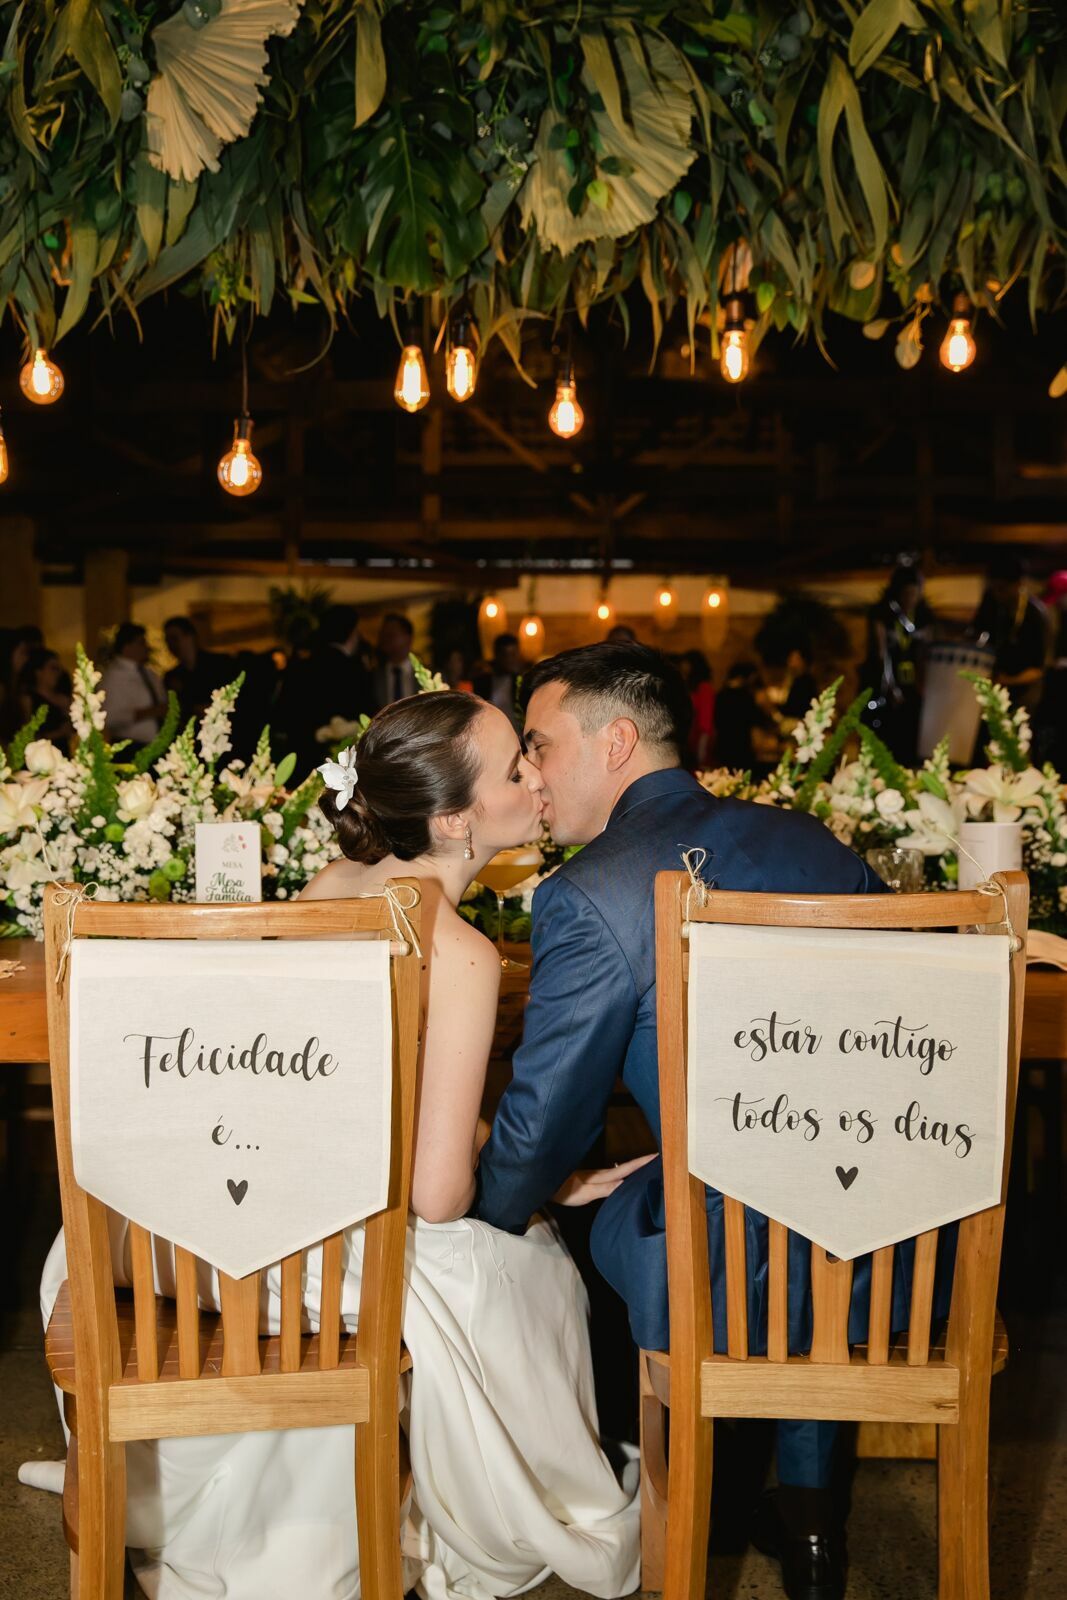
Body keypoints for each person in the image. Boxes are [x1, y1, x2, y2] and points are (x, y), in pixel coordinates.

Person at [39, 691, 641, 1600]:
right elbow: (436, 1197)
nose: (536, 780)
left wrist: (542, 1166)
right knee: (521, 1268)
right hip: (304, 1260)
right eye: (516, 769)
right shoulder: (460, 953)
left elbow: (321, 1096)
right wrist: (534, 1185)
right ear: (454, 819)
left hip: (178, 1233)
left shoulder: (326, 888)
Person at [471, 642, 935, 1600]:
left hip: (721, 1277)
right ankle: (810, 1529)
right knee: (812, 1202)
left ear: (618, 743)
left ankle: (688, 1494)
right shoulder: (814, 845)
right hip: (897, 1267)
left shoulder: (591, 892)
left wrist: (487, 1212)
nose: (532, 777)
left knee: (596, 1213)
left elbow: (543, 1123)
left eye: (541, 748)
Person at [275, 605, 376, 781]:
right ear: (351, 634)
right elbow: (368, 716)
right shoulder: (354, 670)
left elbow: (283, 715)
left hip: (301, 760)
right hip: (342, 765)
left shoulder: (301, 666)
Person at [862, 562, 934, 763]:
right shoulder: (883, 614)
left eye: (914, 593)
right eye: (906, 594)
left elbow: (927, 652)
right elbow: (881, 653)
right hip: (888, 688)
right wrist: (891, 687)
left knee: (912, 743)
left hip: (914, 687)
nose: (910, 599)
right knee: (888, 741)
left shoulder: (924, 617)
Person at [971, 554, 1053, 713]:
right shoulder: (991, 601)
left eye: (1002, 589)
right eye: (993, 588)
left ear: (1019, 584)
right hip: (992, 684)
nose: (997, 594)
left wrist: (1006, 681)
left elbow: (1039, 669)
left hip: (1024, 692)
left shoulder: (1034, 615)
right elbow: (975, 636)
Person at [100, 623, 167, 751]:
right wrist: (150, 712)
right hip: (130, 746)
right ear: (127, 647)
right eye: (141, 643)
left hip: (156, 745)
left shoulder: (149, 674)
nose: (147, 648)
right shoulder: (114, 676)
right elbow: (110, 718)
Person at [162, 616, 234, 725]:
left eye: (175, 639)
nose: (171, 645)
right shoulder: (172, 677)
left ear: (190, 637)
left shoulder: (221, 663)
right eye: (168, 641)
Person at [713, 659, 777, 774]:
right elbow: (758, 719)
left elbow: (717, 721)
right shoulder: (745, 696)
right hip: (742, 748)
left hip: (724, 746)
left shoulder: (721, 695)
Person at [16, 646, 73, 752]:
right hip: (39, 757)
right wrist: (58, 733)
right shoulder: (28, 700)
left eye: (59, 669)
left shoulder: (62, 699)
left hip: (63, 755)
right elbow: (25, 737)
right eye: (53, 669)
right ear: (39, 672)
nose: (57, 674)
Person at [473, 633, 522, 730]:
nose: (510, 659)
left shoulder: (521, 682)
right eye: (505, 655)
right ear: (497, 655)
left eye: (513, 654)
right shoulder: (482, 682)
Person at [676, 649, 714, 769]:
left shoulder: (704, 688)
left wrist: (701, 749)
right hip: (688, 743)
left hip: (699, 743)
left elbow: (705, 721)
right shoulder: (688, 687)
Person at [373, 613, 417, 708]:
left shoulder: (430, 675)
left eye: (391, 634)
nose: (385, 639)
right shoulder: (374, 677)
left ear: (408, 638)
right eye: (383, 634)